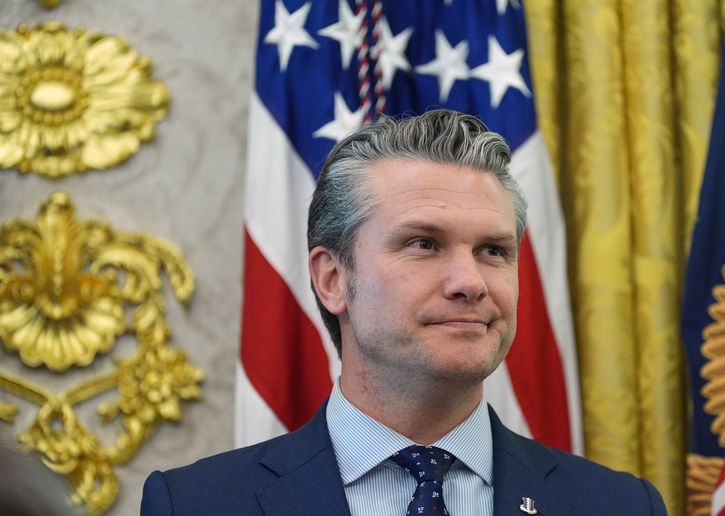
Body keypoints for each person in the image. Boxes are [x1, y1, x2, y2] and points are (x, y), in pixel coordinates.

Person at [141, 110, 666, 515]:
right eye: (423, 244)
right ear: (333, 279)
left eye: (493, 251)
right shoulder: (195, 504)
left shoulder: (620, 506)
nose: (471, 283)